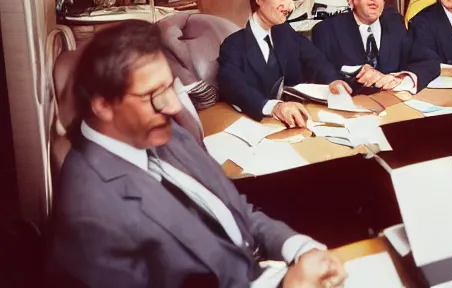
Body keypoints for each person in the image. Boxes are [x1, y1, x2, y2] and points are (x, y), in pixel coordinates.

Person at [50, 20, 346, 287]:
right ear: (102, 105)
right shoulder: (88, 217)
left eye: (170, 88)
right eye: (152, 95)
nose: (174, 107)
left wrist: (299, 247)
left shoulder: (166, 131)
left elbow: (238, 210)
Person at [218, 0, 350, 127]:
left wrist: (333, 80)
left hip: (298, 123)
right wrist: (275, 107)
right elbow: (236, 88)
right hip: (259, 125)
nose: (291, 6)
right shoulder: (233, 46)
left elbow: (315, 58)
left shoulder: (285, 32)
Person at [312, 0, 439, 92]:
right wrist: (355, 73)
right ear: (352, 0)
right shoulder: (326, 30)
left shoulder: (396, 24)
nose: (374, 1)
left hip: (393, 102)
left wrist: (401, 78)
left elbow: (429, 61)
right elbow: (319, 73)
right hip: (350, 103)